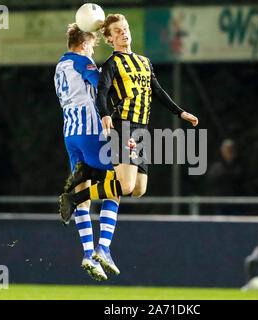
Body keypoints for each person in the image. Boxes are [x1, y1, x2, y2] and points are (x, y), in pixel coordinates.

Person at [59, 14, 199, 224]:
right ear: (109, 39)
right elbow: (102, 92)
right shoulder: (111, 64)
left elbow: (157, 90)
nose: (123, 33)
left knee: (138, 189)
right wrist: (105, 114)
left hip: (141, 128)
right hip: (123, 126)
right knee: (124, 186)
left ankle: (86, 173)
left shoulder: (144, 62)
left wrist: (179, 112)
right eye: (117, 31)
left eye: (125, 29)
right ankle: (75, 198)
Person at [54, 23, 120, 282]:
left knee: (85, 193)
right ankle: (103, 248)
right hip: (91, 130)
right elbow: (104, 85)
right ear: (83, 45)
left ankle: (87, 253)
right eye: (92, 45)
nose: (93, 50)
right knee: (118, 185)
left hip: (70, 133)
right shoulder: (83, 62)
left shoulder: (60, 66)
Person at [206, 139, 244, 214]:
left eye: (230, 151)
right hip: (219, 204)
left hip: (235, 204)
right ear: (222, 152)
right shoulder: (216, 168)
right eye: (226, 151)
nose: (228, 153)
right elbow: (211, 183)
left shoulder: (239, 168)